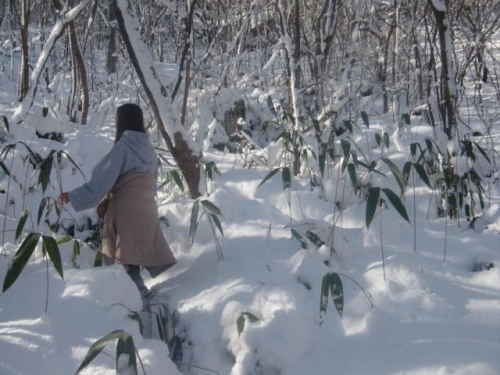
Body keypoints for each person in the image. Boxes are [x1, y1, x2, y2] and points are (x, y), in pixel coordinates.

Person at [58, 103, 176, 298]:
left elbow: (101, 182)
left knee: (124, 259)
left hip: (126, 209)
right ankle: (140, 299)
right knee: (132, 257)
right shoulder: (150, 152)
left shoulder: (122, 148)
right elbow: (152, 184)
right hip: (147, 208)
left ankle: (133, 303)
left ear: (121, 123)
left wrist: (74, 196)